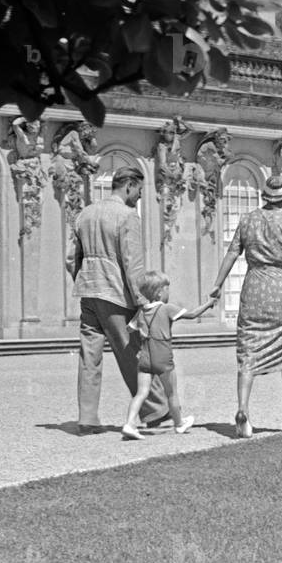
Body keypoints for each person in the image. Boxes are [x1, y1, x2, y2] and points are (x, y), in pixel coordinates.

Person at [66, 165, 170, 433]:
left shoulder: (85, 214)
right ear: (129, 186)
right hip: (114, 294)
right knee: (132, 352)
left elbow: (71, 259)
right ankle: (156, 409)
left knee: (89, 356)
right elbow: (132, 264)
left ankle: (87, 418)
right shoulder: (127, 216)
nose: (139, 198)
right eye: (138, 191)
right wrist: (143, 301)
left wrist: (84, 278)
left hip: (88, 292)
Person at [211, 175, 282, 438]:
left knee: (248, 351)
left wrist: (217, 284)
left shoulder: (247, 220)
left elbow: (232, 253)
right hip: (278, 288)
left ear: (265, 196)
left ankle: (242, 410)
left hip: (253, 287)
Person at [121, 271, 214, 441]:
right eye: (166, 289)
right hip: (163, 358)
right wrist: (208, 304)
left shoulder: (141, 312)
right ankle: (179, 424)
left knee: (141, 393)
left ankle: (129, 424)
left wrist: (142, 329)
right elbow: (192, 314)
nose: (168, 292)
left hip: (145, 358)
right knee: (171, 393)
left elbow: (128, 329)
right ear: (159, 292)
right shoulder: (167, 308)